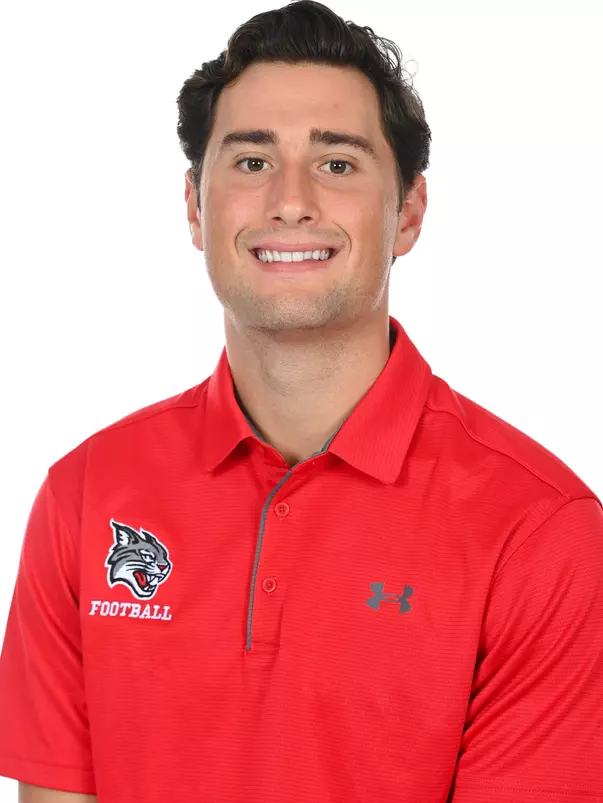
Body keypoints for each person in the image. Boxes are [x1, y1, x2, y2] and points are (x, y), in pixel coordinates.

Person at [1, 0, 602, 800]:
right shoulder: (85, 494)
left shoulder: (538, 530)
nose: (290, 200)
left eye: (337, 163)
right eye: (252, 161)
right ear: (195, 208)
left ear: (408, 214)